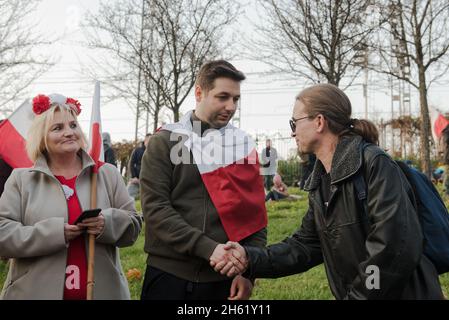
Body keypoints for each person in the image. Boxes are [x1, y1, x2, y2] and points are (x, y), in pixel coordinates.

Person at [213, 83, 444, 300]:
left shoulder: (374, 164)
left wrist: (360, 296)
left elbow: (392, 248)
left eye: (294, 123)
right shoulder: (322, 181)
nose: (292, 133)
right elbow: (304, 245)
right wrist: (249, 258)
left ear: (320, 122)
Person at [139, 60, 267, 300]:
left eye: (236, 99)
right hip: (169, 275)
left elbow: (255, 216)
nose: (230, 106)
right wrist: (209, 249)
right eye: (222, 97)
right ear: (199, 93)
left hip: (225, 281)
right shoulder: (165, 141)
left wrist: (249, 269)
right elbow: (156, 210)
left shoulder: (242, 147)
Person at [0, 93, 142, 300]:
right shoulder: (21, 179)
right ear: (42, 137)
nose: (69, 133)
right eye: (58, 128)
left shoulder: (106, 174)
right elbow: (3, 235)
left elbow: (134, 227)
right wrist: (53, 234)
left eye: (73, 125)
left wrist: (107, 223)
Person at [127, 133, 152, 199]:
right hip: (136, 179)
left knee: (149, 199)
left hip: (148, 181)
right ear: (145, 141)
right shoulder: (137, 151)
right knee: (128, 196)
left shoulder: (154, 152)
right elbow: (131, 163)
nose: (150, 143)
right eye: (149, 140)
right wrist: (134, 176)